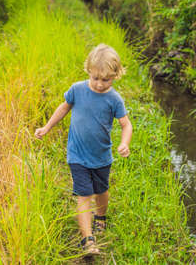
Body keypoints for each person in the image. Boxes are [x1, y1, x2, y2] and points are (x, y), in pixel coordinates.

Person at [34, 43, 132, 255]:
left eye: (105, 80)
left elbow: (126, 124)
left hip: (101, 157)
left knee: (101, 191)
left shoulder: (114, 99)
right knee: (83, 195)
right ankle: (88, 240)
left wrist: (125, 143)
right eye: (95, 78)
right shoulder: (77, 90)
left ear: (116, 76)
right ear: (88, 71)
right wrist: (47, 127)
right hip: (77, 156)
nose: (99, 84)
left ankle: (101, 216)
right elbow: (64, 107)